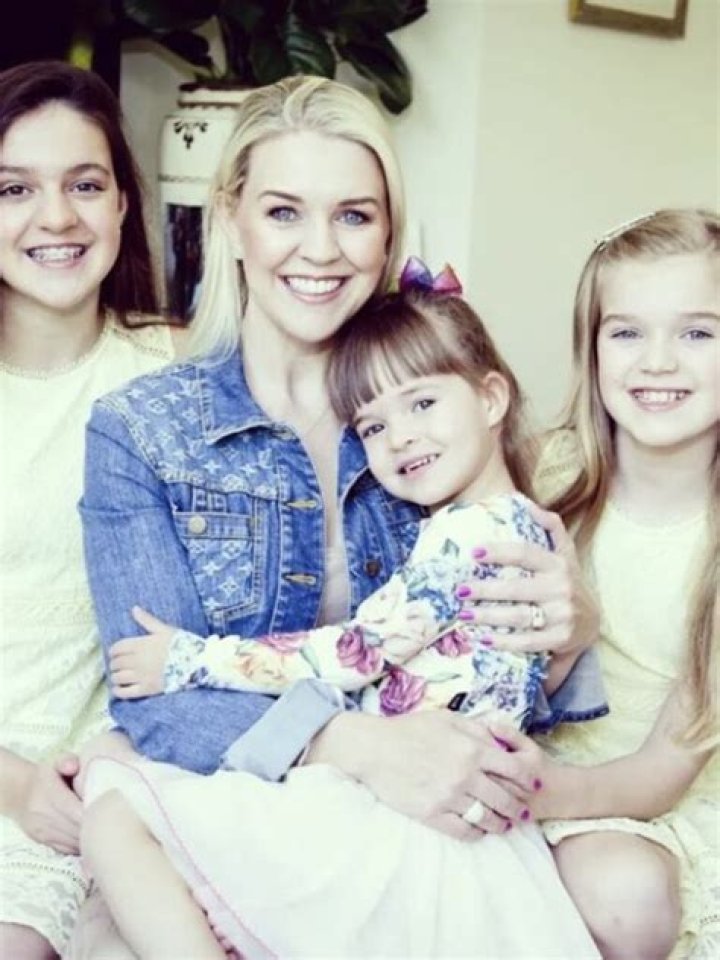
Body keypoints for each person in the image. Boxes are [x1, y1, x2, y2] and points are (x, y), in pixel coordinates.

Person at [75, 75, 605, 955]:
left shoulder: (431, 431)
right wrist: (353, 745)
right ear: (230, 216)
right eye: (284, 211)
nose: (319, 250)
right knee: (112, 808)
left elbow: (496, 680)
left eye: (355, 216)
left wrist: (573, 633)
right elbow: (157, 699)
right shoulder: (142, 430)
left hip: (420, 818)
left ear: (389, 233)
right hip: (250, 799)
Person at [478, 209, 717, 960]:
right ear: (591, 347)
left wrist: (538, 790)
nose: (658, 362)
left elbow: (661, 773)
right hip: (535, 758)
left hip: (652, 798)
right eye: (627, 332)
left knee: (626, 895)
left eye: (698, 333)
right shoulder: (544, 473)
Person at [0, 61, 178, 960]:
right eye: (14, 190)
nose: (57, 218)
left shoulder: (176, 373)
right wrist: (13, 783)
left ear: (122, 205)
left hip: (93, 793)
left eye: (84, 185)